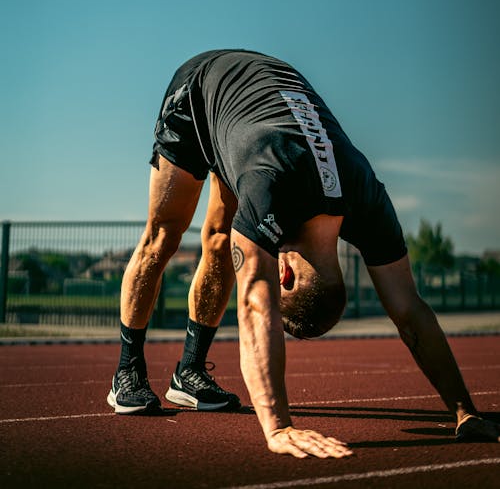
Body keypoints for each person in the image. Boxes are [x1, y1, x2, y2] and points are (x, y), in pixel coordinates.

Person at [108, 49, 500, 457]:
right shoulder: (271, 183)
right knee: (165, 235)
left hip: (256, 108)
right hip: (201, 88)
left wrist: (464, 412)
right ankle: (127, 371)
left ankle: (188, 373)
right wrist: (277, 427)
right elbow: (255, 306)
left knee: (221, 239)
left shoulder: (367, 197)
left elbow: (410, 311)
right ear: (287, 277)